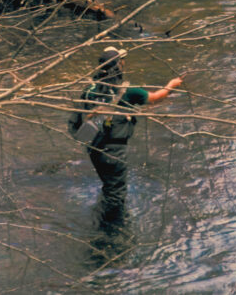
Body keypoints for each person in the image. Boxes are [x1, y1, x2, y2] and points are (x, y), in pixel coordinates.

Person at [69, 48, 183, 220]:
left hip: (94, 148)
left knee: (108, 185)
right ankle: (110, 229)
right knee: (116, 194)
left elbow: (76, 121)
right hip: (115, 151)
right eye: (122, 61)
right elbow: (156, 98)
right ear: (119, 66)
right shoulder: (129, 92)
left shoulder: (89, 89)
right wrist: (171, 85)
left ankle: (102, 214)